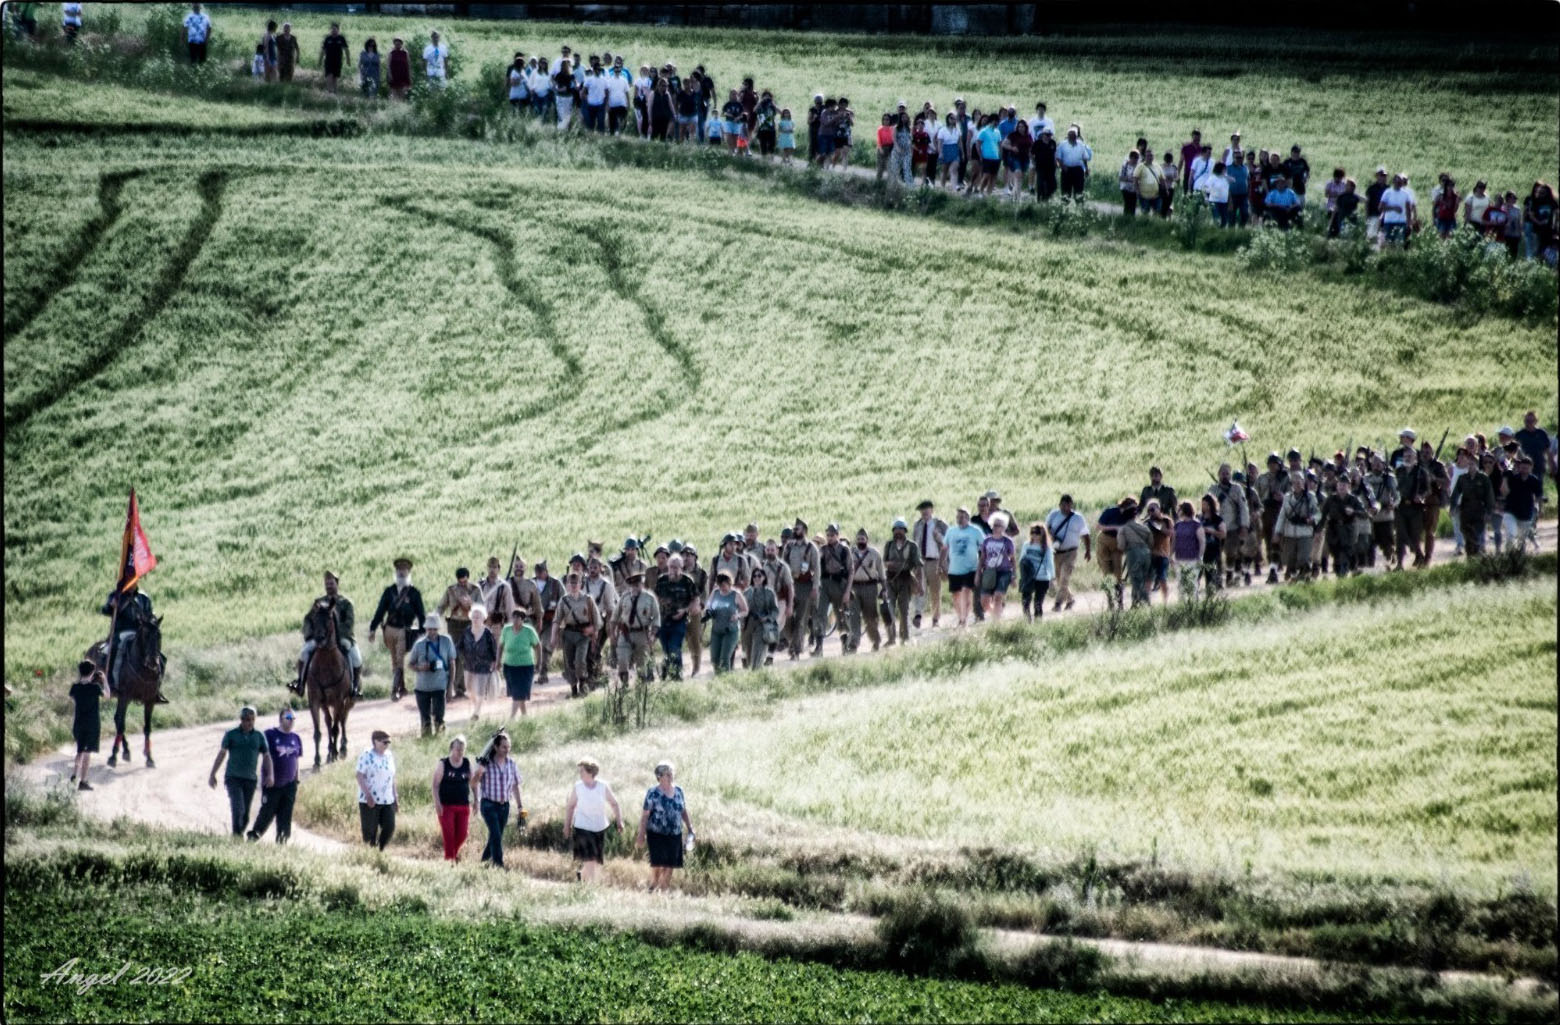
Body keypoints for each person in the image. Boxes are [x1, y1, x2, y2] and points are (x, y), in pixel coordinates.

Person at [295, 571, 362, 697]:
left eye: (331, 583)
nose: (329, 586)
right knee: (304, 652)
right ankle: (300, 683)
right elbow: (308, 619)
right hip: (320, 638)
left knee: (357, 658)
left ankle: (354, 686)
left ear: (337, 584)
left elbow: (349, 623)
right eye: (326, 584)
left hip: (342, 638)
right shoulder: (318, 603)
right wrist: (310, 634)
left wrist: (335, 635)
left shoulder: (346, 603)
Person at [208, 706, 272, 838]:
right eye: (247, 719)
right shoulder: (231, 734)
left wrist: (270, 774)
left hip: (250, 779)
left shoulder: (259, 736)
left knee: (245, 816)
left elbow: (266, 756)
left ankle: (238, 834)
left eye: (252, 719)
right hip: (233, 778)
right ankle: (236, 837)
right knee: (238, 808)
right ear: (241, 720)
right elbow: (222, 754)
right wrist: (213, 773)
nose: (249, 722)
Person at [368, 557, 424, 702]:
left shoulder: (414, 593)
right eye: (399, 570)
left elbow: (421, 614)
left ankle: (395, 691)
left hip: (404, 631)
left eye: (404, 570)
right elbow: (380, 611)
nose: (401, 573)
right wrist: (373, 628)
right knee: (394, 660)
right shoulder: (389, 591)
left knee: (399, 659)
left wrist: (423, 632)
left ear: (408, 572)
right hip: (389, 630)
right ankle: (402, 687)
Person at [246, 707, 303, 843]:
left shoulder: (296, 738)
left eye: (293, 718)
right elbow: (264, 755)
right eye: (288, 718)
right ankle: (253, 838)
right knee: (267, 813)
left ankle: (282, 842)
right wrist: (269, 775)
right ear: (280, 719)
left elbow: (296, 759)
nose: (291, 721)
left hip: (290, 785)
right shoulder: (270, 735)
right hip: (272, 784)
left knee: (285, 815)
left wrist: (297, 779)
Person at [636, 761, 694, 893]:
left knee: (670, 864)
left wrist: (690, 828)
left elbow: (683, 811)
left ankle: (664, 890)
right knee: (658, 863)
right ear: (659, 776)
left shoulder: (679, 791)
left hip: (675, 834)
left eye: (671, 773)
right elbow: (645, 815)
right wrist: (641, 834)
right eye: (667, 774)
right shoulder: (652, 793)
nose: (670, 776)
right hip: (656, 834)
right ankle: (653, 885)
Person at [565, 758, 622, 882]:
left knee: (595, 860)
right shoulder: (578, 787)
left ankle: (581, 877)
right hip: (582, 826)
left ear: (590, 772)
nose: (580, 773)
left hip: (598, 827)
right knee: (589, 859)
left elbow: (614, 804)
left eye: (582, 771)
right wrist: (567, 826)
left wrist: (619, 821)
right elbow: (570, 807)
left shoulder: (603, 786)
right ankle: (592, 886)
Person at [472, 729, 522, 869]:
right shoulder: (486, 764)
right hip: (488, 805)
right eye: (504, 747)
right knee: (495, 834)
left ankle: (483, 863)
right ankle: (499, 865)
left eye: (508, 747)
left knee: (496, 836)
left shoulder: (511, 764)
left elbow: (515, 786)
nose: (507, 750)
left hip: (504, 806)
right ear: (496, 747)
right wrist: (478, 773)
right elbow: (473, 783)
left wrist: (520, 806)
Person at [437, 567, 482, 700]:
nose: (462, 584)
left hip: (469, 624)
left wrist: (471, 604)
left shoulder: (475, 590)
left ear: (468, 578)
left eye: (464, 581)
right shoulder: (451, 590)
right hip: (454, 625)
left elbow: (482, 608)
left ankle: (470, 686)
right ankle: (458, 688)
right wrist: (434, 618)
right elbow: (441, 606)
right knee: (455, 655)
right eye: (460, 581)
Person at [408, 612, 455, 736]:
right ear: (426, 628)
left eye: (434, 629)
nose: (432, 632)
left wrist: (450, 687)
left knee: (439, 718)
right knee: (425, 720)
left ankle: (440, 740)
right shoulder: (419, 644)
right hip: (422, 687)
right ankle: (426, 740)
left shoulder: (446, 641)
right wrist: (420, 667)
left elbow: (452, 664)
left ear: (438, 629)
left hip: (439, 686)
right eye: (429, 629)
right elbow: (410, 664)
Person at [613, 569, 660, 685]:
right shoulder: (624, 597)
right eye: (633, 585)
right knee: (622, 660)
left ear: (642, 584)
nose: (635, 587)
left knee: (641, 664)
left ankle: (642, 687)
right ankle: (624, 686)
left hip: (642, 634)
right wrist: (613, 634)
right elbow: (615, 616)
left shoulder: (650, 598)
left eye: (637, 584)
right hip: (626, 633)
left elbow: (656, 618)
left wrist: (653, 635)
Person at [1044, 495, 1091, 611]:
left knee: (1064, 578)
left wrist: (1088, 550)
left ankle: (1058, 604)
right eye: (1063, 505)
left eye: (1068, 505)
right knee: (1059, 580)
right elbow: (1046, 529)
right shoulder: (1053, 515)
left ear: (1071, 505)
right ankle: (1070, 599)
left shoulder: (1078, 518)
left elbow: (1085, 534)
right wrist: (1051, 537)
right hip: (1055, 552)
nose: (1065, 508)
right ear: (1059, 505)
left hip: (1071, 552)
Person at [431, 735, 472, 862]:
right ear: (451, 749)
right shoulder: (443, 764)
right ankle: (450, 862)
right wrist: (437, 803)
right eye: (457, 749)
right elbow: (435, 785)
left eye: (462, 749)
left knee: (463, 834)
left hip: (463, 805)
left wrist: (476, 799)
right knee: (449, 835)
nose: (460, 752)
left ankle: (451, 855)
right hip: (446, 806)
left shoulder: (467, 763)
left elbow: (473, 783)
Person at [68, 661, 108, 790]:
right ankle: (83, 781)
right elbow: (107, 695)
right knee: (86, 754)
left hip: (78, 723)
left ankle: (74, 775)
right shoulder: (95, 688)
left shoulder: (75, 687)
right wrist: (104, 681)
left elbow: (73, 698)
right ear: (92, 672)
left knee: (80, 750)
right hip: (91, 724)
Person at [356, 730, 397, 850]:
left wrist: (395, 796)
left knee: (389, 827)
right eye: (384, 742)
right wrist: (368, 795)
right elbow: (359, 775)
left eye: (388, 742)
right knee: (370, 833)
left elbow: (392, 777)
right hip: (370, 801)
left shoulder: (389, 756)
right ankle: (370, 855)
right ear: (376, 741)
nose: (387, 745)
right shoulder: (366, 755)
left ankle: (380, 850)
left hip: (387, 800)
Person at [1274, 472, 1319, 580]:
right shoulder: (1287, 497)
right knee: (1290, 559)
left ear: (1303, 482)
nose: (1297, 484)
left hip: (1305, 532)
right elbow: (1282, 516)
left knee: (1303, 558)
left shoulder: (1310, 497)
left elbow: (1318, 513)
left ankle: (1304, 577)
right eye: (1294, 482)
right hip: (1290, 533)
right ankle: (1296, 577)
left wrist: (1312, 519)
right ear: (1291, 484)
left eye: (1299, 481)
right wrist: (1277, 532)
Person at [1450, 451, 1496, 556]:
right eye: (1469, 464)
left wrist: (1489, 512)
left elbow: (1489, 496)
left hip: (1479, 510)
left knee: (1476, 534)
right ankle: (1471, 556)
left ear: (1477, 465)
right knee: (1466, 533)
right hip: (1465, 510)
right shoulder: (1462, 478)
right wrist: (1452, 507)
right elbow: (1455, 494)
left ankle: (1477, 553)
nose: (1471, 466)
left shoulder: (1483, 478)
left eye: (1473, 464)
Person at [499, 607, 541, 719]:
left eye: (518, 618)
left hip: (525, 667)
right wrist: (498, 661)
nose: (515, 620)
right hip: (509, 666)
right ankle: (525, 717)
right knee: (516, 693)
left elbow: (538, 646)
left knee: (519, 692)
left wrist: (539, 662)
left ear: (523, 619)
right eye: (514, 617)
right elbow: (501, 645)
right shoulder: (506, 630)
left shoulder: (529, 631)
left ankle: (511, 718)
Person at [704, 570, 747, 673]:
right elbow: (708, 605)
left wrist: (737, 615)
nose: (722, 588)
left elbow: (745, 610)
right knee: (714, 658)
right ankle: (718, 676)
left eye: (724, 585)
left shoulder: (736, 594)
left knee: (724, 658)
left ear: (729, 583)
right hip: (716, 630)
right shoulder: (715, 593)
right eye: (720, 585)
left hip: (730, 630)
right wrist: (708, 611)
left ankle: (725, 678)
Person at [460, 605, 497, 720]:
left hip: (484, 664)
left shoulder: (487, 633)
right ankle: (477, 706)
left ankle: (476, 712)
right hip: (469, 664)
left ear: (483, 618)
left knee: (480, 690)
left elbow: (494, 649)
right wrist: (458, 656)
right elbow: (460, 645)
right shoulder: (466, 631)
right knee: (469, 690)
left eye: (478, 617)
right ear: (470, 617)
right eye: (474, 616)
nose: (475, 619)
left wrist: (494, 661)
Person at [1501, 455, 1543, 552]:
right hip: (1510, 511)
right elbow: (1504, 492)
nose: (1524, 470)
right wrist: (1505, 478)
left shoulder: (1534, 481)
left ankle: (1520, 557)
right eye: (1523, 467)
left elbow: (1539, 496)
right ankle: (1509, 555)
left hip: (1526, 514)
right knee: (1511, 535)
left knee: (1521, 541)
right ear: (1519, 467)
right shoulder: (1513, 478)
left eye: (1527, 468)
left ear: (1531, 468)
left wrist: (1540, 509)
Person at [741, 567, 779, 671]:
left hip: (762, 625)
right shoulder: (747, 592)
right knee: (749, 653)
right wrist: (742, 622)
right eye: (754, 576)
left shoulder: (769, 593)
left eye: (759, 575)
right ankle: (753, 674)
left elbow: (775, 610)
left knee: (758, 652)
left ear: (764, 577)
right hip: (749, 624)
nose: (757, 578)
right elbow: (741, 608)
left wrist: (768, 618)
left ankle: (756, 672)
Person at [1017, 524, 1055, 622]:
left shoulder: (1046, 548)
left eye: (1037, 532)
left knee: (1038, 603)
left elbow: (1050, 564)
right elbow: (1022, 560)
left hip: (1042, 578)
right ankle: (1027, 622)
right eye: (1032, 532)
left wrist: (1052, 579)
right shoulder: (1026, 545)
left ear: (1042, 534)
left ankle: (1038, 624)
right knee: (1025, 602)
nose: (1034, 535)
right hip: (1028, 578)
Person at [1118, 506, 1154, 608]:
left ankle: (1140, 603)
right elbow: (1151, 543)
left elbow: (1121, 546)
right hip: (1146, 553)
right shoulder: (1145, 527)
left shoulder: (1123, 529)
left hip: (1133, 553)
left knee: (1136, 580)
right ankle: (1141, 603)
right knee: (1144, 579)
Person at [1171, 502, 1206, 599]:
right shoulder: (1177, 525)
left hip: (1193, 559)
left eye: (1179, 509)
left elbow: (1202, 542)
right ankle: (1182, 605)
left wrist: (1200, 557)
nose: (1178, 512)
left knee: (1192, 584)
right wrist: (1170, 555)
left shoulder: (1196, 525)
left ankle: (1193, 604)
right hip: (1179, 558)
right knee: (1180, 585)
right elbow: (1174, 541)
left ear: (1184, 510)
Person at [1379, 173, 1416, 247]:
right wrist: (1393, 208)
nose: (1399, 183)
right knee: (1389, 243)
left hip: (1401, 222)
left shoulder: (1406, 194)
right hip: (1389, 222)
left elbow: (1408, 210)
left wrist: (1409, 224)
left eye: (1400, 182)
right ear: (1393, 182)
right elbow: (1380, 207)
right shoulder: (1387, 193)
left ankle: (1398, 254)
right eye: (1397, 181)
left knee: (1399, 243)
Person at [319, 22, 350, 94]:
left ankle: (335, 92)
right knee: (329, 75)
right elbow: (323, 50)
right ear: (330, 30)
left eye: (335, 29)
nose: (333, 30)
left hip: (338, 61)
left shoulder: (341, 38)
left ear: (338, 30)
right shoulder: (327, 39)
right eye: (332, 29)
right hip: (328, 61)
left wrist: (348, 60)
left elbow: (346, 49)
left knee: (335, 77)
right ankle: (329, 91)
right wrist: (320, 60)